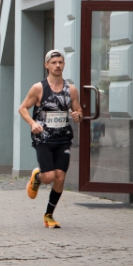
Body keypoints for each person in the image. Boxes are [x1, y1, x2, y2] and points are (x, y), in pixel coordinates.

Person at [18, 49, 82, 229]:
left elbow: (78, 111)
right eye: (53, 62)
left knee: (60, 177)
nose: (57, 65)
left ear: (64, 65)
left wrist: (78, 116)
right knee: (49, 177)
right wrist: (32, 123)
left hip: (63, 138)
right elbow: (22, 108)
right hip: (43, 139)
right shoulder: (39, 88)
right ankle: (37, 177)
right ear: (46, 65)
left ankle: (49, 215)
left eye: (60, 62)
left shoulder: (71, 89)